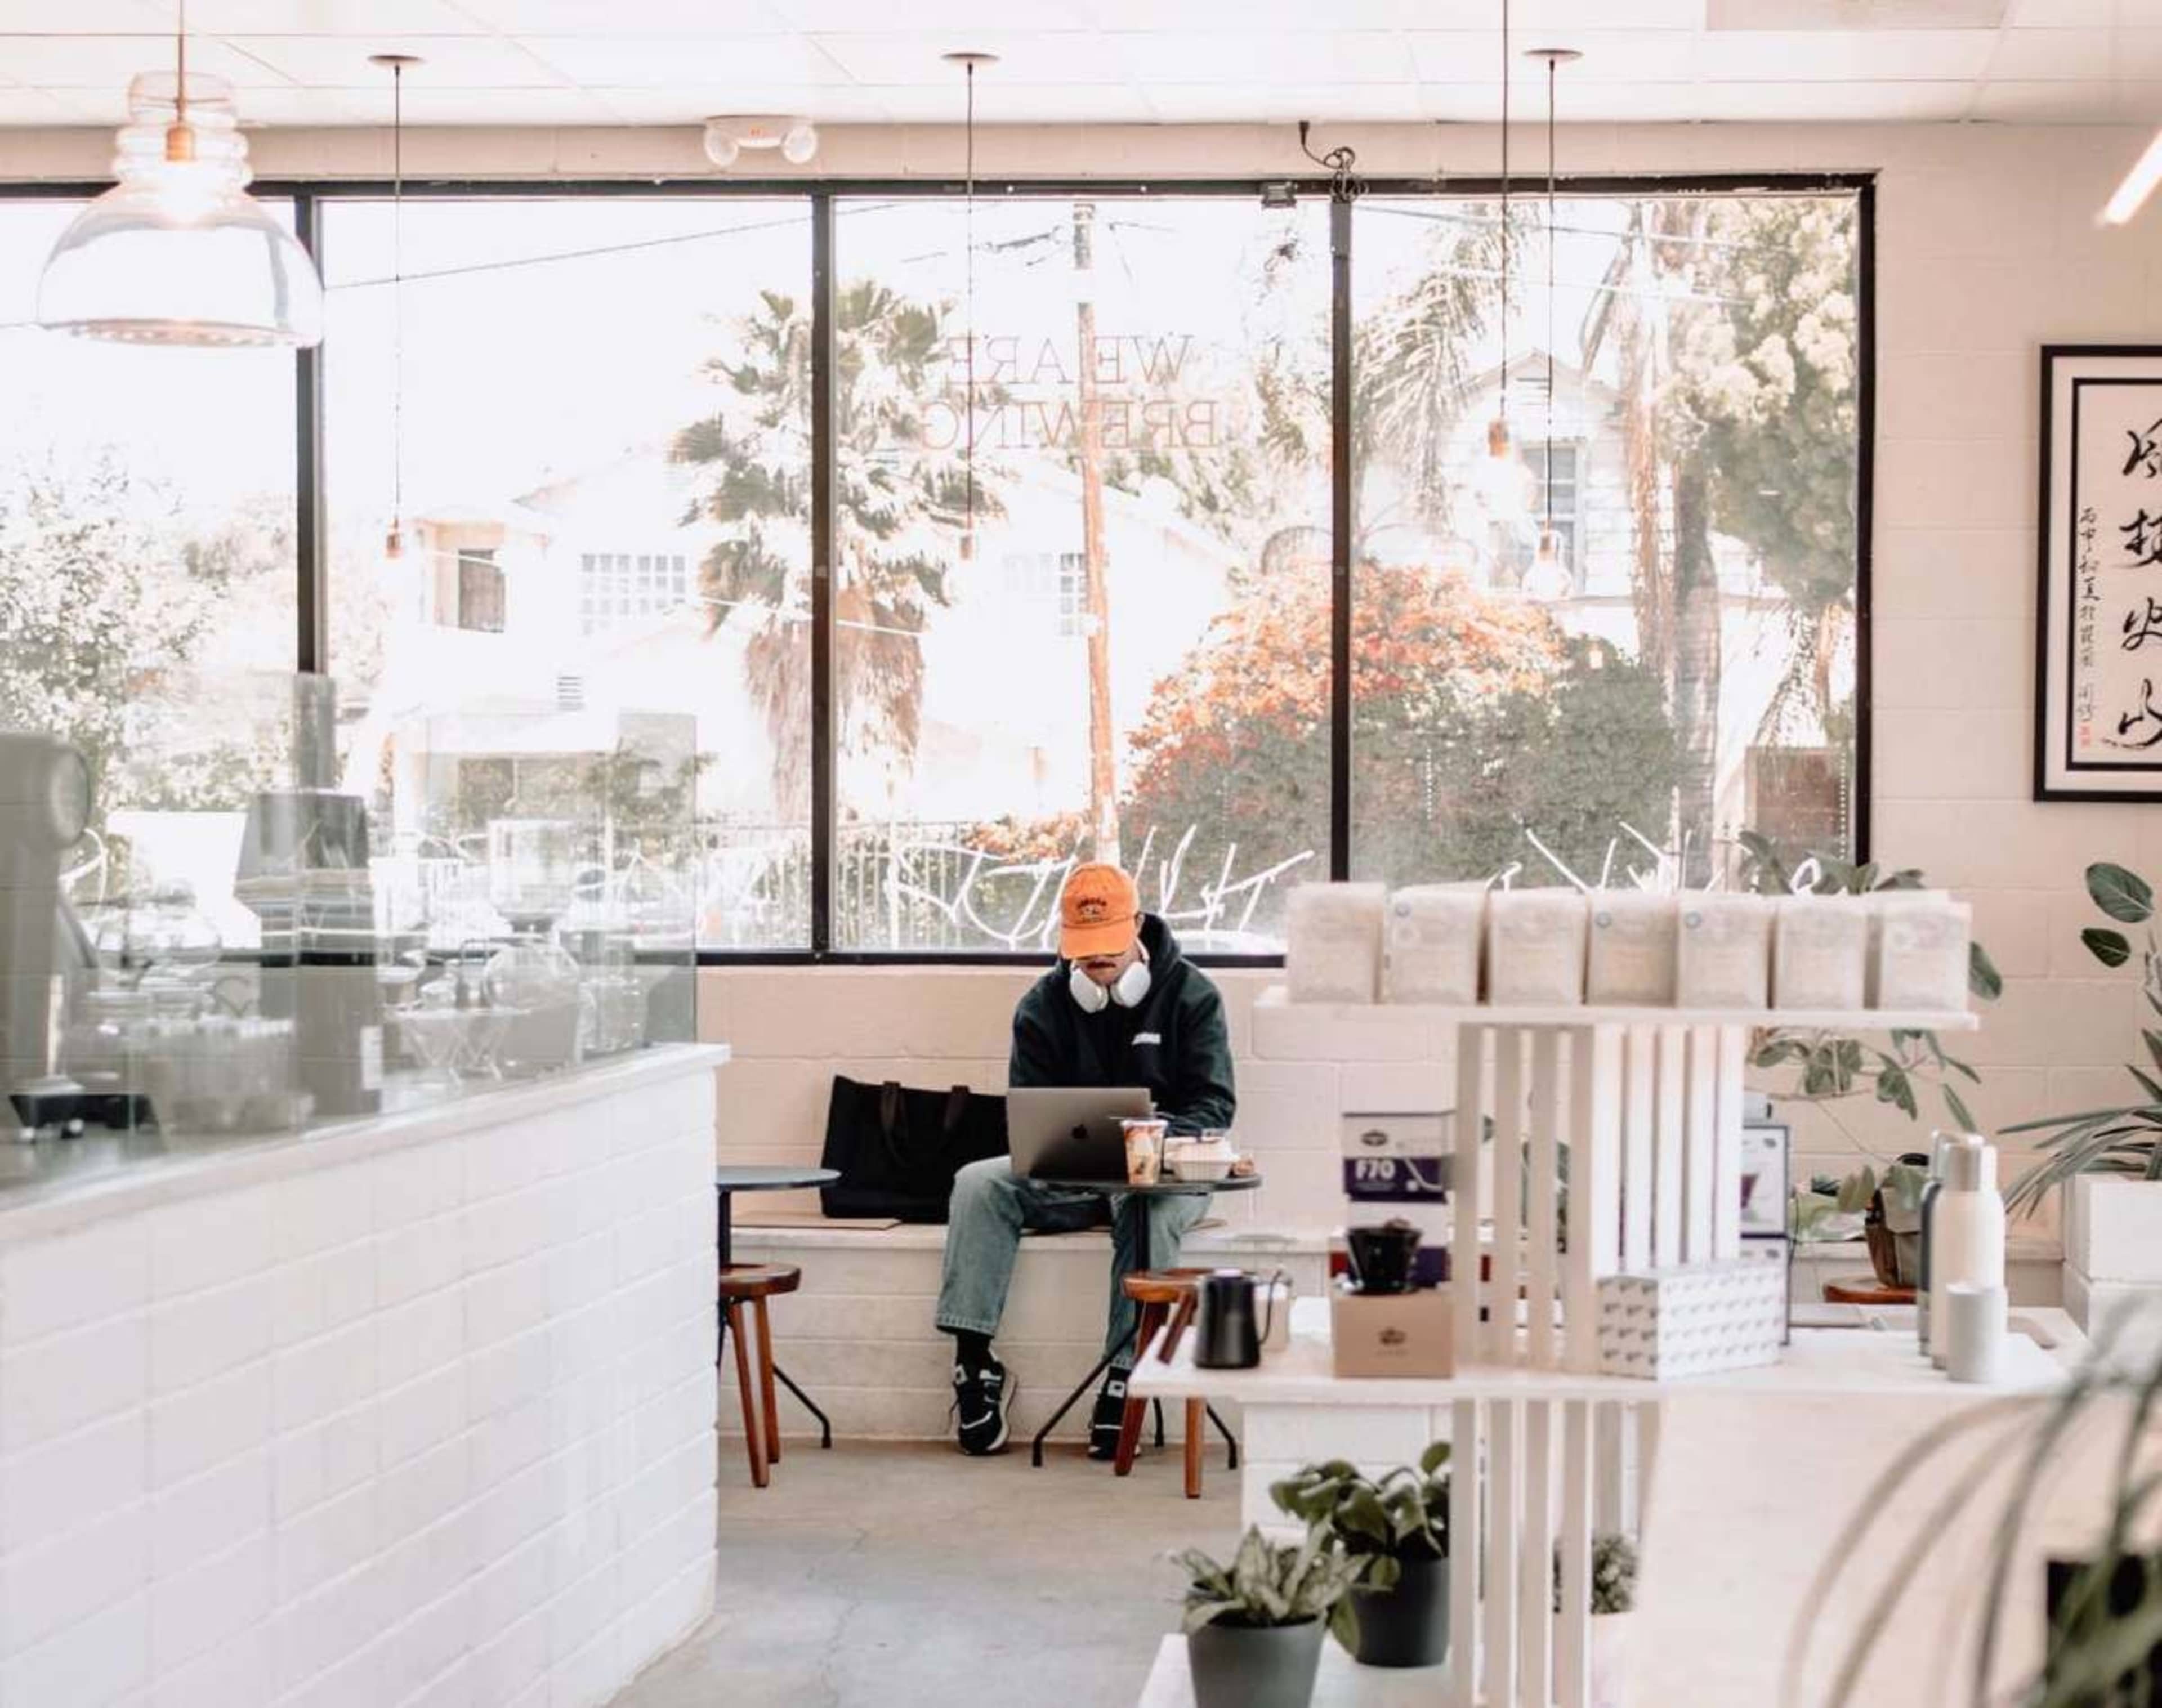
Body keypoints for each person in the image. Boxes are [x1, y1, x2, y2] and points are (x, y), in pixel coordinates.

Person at [935, 862, 1236, 1458]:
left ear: (1137, 926)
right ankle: (974, 1361)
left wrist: (1149, 1138)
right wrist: (1070, 1144)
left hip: (1162, 1176)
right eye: (1084, 947)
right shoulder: (1042, 1005)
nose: (1096, 959)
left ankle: (1126, 1374)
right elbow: (1029, 1111)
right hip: (1073, 1175)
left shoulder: (1194, 995)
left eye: (1108, 945)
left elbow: (1215, 1105)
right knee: (977, 1182)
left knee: (1146, 1210)